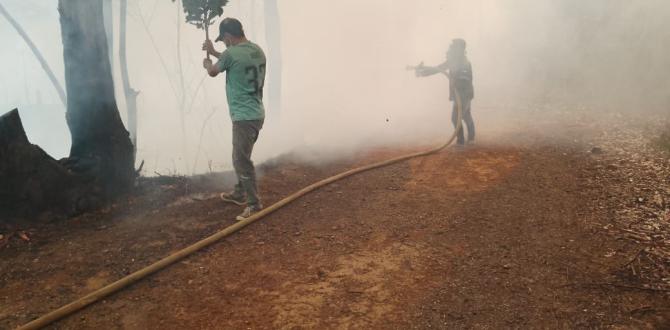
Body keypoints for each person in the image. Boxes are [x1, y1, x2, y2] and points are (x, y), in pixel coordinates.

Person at [202, 18, 266, 220]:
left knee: (240, 159)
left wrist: (208, 63)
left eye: (224, 40)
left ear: (229, 36)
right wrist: (214, 52)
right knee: (242, 154)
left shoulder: (230, 53)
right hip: (256, 114)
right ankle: (239, 192)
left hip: (243, 117)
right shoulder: (256, 50)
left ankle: (254, 205)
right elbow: (233, 59)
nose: (224, 43)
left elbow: (214, 71)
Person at [415, 38, 475, 146]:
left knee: (455, 117)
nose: (450, 49)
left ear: (459, 49)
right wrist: (422, 72)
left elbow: (465, 80)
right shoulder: (454, 61)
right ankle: (471, 137)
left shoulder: (464, 62)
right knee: (465, 115)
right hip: (461, 95)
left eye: (453, 47)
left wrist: (460, 95)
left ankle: (461, 140)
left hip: (464, 95)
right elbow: (438, 69)